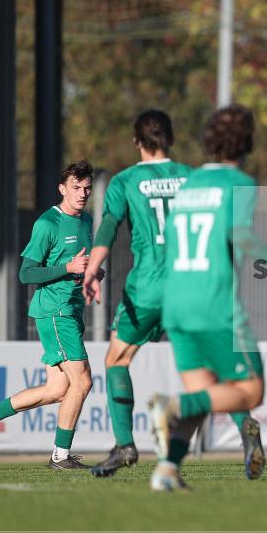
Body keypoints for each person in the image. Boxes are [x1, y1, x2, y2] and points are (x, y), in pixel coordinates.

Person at [147, 104, 267, 491]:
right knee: (250, 391)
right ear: (248, 142)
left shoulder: (189, 184)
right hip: (214, 305)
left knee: (203, 394)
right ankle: (170, 407)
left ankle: (167, 471)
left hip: (176, 303)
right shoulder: (241, 183)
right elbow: (242, 233)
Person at [81, 110, 196, 478]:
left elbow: (109, 226)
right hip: (189, 283)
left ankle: (125, 445)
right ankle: (245, 431)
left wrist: (92, 268)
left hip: (147, 286)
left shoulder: (126, 180)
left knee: (117, 359)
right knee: (208, 367)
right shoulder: (192, 178)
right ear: (171, 139)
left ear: (136, 142)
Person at [0, 160, 98, 469]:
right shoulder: (47, 224)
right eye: (76, 188)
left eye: (87, 188)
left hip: (72, 310)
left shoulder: (86, 221)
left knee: (56, 390)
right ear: (62, 189)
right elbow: (26, 273)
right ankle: (60, 456)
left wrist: (92, 272)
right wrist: (68, 268)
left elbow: (78, 264)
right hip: (54, 312)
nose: (82, 194)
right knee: (82, 383)